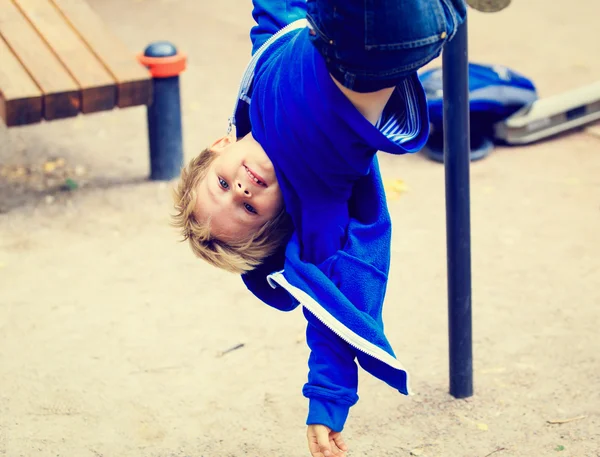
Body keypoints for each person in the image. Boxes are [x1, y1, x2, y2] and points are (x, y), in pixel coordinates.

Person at [172, 1, 466, 456]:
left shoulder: (261, 75)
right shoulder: (314, 197)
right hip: (373, 38)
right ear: (282, 215)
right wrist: (327, 403)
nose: (242, 189)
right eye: (249, 209)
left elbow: (273, 12)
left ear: (218, 147)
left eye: (223, 184)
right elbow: (330, 306)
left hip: (337, 24)